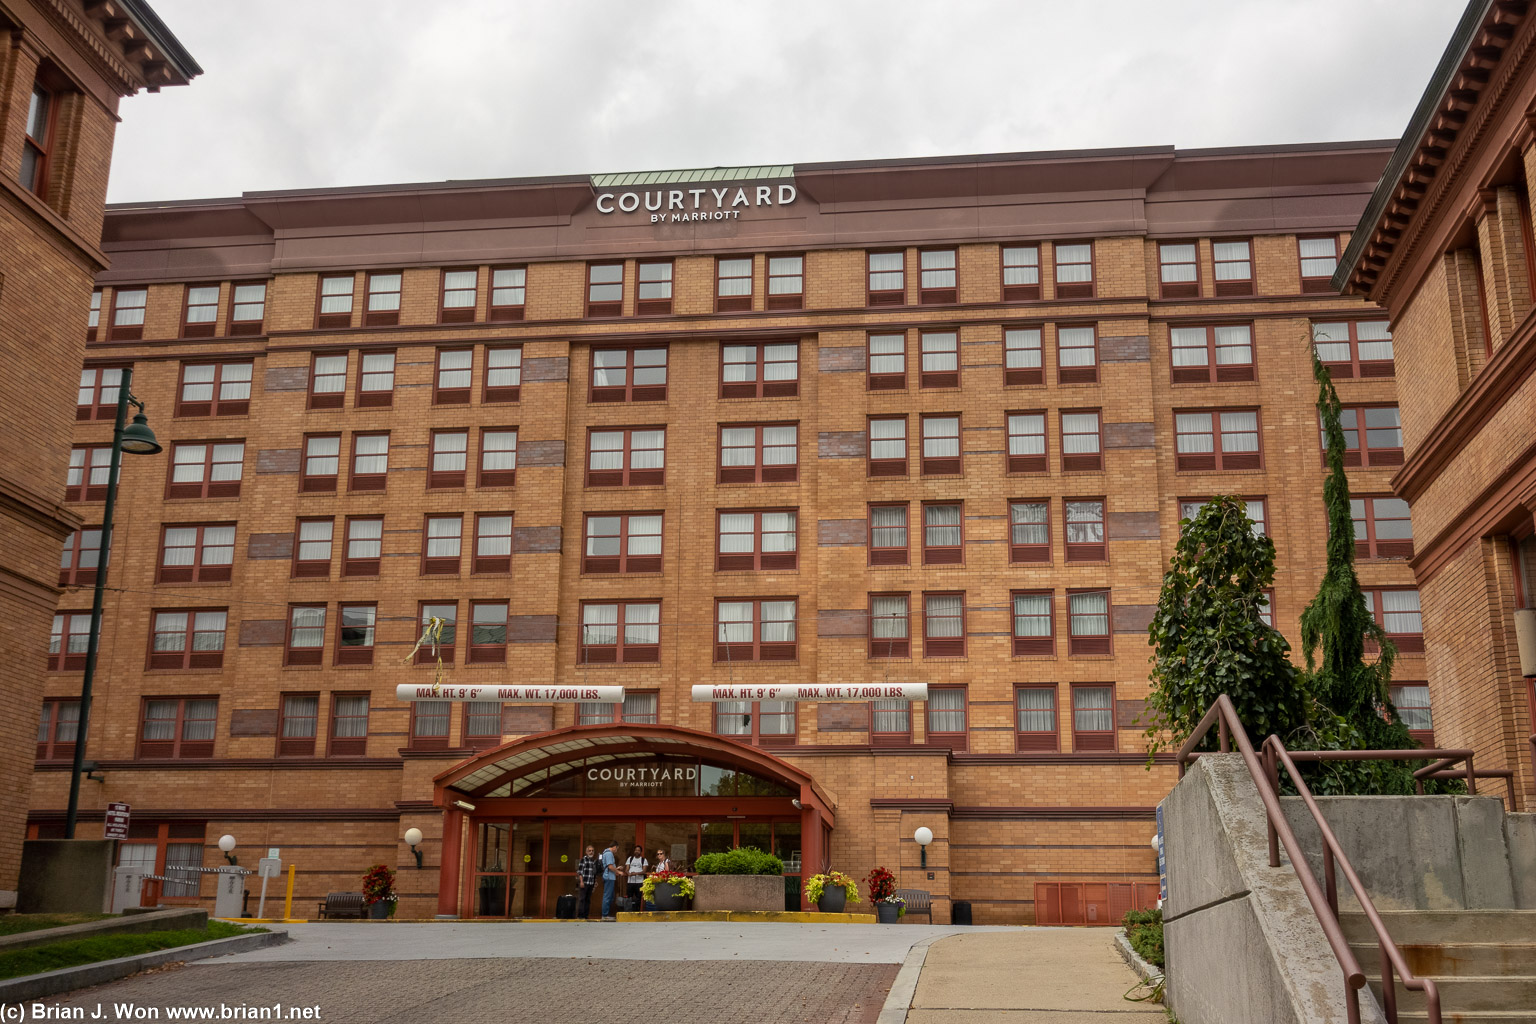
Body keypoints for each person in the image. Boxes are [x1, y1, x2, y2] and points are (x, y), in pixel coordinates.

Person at [574, 844, 598, 920]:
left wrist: (595, 882)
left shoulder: (593, 861)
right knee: (582, 899)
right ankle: (580, 916)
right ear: (586, 852)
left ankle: (585, 915)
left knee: (588, 900)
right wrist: (581, 882)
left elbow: (593, 873)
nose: (591, 852)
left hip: (591, 883)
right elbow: (580, 872)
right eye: (589, 851)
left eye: (592, 851)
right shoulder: (583, 859)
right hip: (584, 883)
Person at [624, 843, 649, 908]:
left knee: (638, 899)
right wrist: (628, 873)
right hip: (630, 882)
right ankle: (628, 912)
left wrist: (635, 873)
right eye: (636, 850)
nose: (637, 851)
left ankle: (637, 912)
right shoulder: (630, 859)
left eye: (638, 850)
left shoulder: (644, 860)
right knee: (629, 898)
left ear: (641, 852)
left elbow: (644, 871)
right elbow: (626, 869)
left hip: (639, 882)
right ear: (634, 851)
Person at [600, 839, 619, 921]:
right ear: (614, 847)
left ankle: (606, 914)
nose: (617, 851)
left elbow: (610, 866)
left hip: (610, 876)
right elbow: (610, 866)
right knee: (607, 896)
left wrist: (616, 869)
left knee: (610, 896)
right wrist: (618, 871)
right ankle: (604, 915)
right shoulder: (609, 854)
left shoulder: (606, 853)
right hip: (609, 877)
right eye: (617, 849)